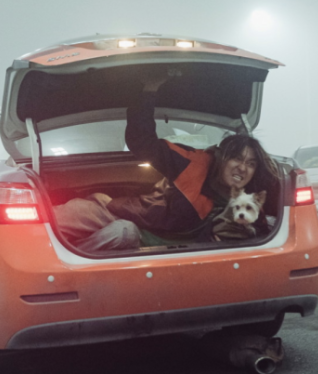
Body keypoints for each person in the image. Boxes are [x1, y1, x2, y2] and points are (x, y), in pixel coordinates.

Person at [54, 77, 279, 252]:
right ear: (222, 158)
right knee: (55, 220)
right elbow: (143, 143)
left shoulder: (248, 203)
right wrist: (148, 91)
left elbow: (271, 219)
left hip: (140, 236)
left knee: (123, 232)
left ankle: (69, 269)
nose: (242, 168)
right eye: (237, 158)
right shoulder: (193, 163)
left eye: (251, 163)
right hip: (121, 212)